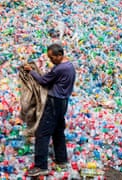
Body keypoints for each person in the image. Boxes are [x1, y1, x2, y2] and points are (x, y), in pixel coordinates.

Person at [23, 43, 76, 176]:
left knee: (42, 133)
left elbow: (43, 81)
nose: (50, 60)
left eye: (52, 57)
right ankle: (61, 160)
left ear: (59, 55)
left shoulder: (59, 69)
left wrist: (31, 71)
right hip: (63, 102)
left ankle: (41, 166)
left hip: (54, 103)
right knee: (58, 131)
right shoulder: (69, 66)